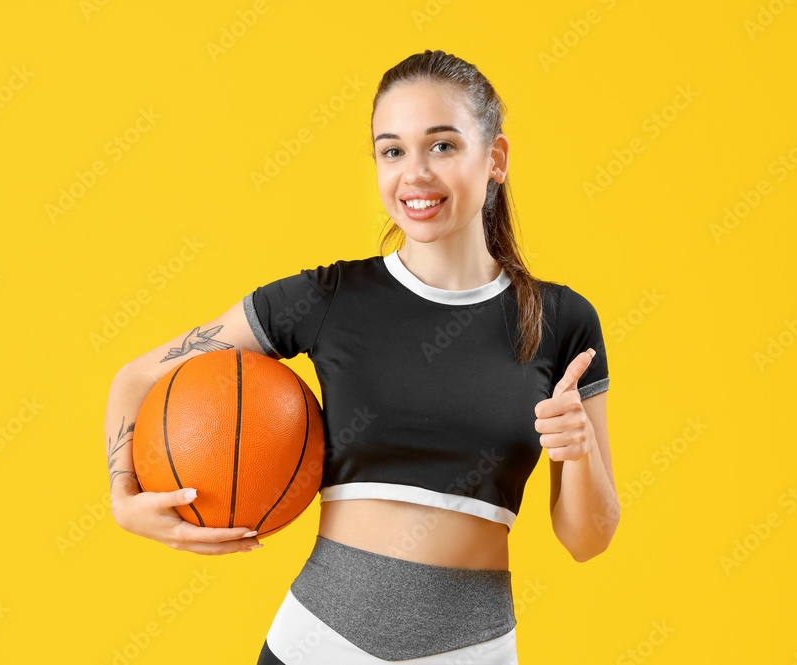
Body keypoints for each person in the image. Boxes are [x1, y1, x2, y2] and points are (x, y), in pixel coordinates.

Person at [104, 49, 619, 664]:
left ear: (496, 159)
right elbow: (138, 378)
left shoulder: (561, 320)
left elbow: (587, 540)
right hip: (317, 645)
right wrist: (124, 500)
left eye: (443, 146)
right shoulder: (328, 298)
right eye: (392, 150)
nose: (415, 174)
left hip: (474, 651)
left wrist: (578, 450)